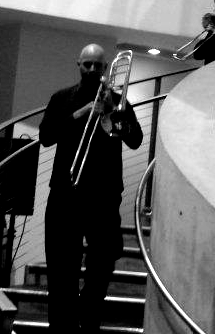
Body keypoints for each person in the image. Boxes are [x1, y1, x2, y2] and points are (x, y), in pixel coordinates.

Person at [39, 43, 143, 333]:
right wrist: (81, 113)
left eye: (98, 65)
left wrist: (113, 112)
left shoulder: (118, 101)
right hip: (65, 193)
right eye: (88, 64)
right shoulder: (61, 98)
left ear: (106, 68)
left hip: (104, 196)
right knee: (61, 270)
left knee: (102, 268)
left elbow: (135, 140)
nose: (93, 70)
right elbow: (46, 136)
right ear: (79, 65)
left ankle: (89, 318)